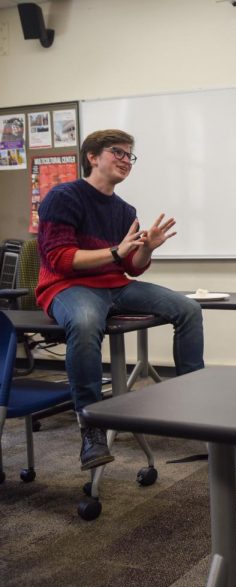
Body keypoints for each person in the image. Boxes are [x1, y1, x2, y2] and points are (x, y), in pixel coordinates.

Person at [37, 129, 204, 470]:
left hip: (114, 285)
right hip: (67, 286)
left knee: (188, 308)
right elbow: (61, 259)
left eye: (130, 155)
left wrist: (146, 249)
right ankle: (91, 426)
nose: (126, 160)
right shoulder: (63, 196)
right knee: (85, 323)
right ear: (93, 157)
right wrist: (115, 252)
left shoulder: (125, 210)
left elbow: (131, 267)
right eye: (118, 152)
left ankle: (193, 400)